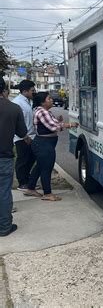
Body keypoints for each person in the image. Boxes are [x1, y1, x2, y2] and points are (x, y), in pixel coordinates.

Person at [26, 92, 78, 201]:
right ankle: (47, 193)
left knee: (40, 166)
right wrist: (69, 125)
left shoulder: (44, 111)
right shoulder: (42, 112)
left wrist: (59, 122)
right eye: (49, 98)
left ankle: (30, 188)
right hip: (44, 144)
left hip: (43, 143)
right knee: (47, 168)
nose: (51, 100)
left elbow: (53, 123)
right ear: (42, 102)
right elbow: (53, 127)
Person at [0, 78, 27, 236]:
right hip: (4, 158)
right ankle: (4, 227)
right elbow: (22, 133)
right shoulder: (14, 108)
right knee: (3, 192)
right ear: (3, 89)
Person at [12, 80, 37, 192]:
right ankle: (22, 183)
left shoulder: (28, 101)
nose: (34, 92)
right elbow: (16, 122)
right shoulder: (17, 103)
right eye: (32, 90)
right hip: (22, 137)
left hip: (31, 136)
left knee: (31, 159)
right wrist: (24, 136)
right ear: (25, 91)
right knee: (23, 160)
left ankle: (28, 181)